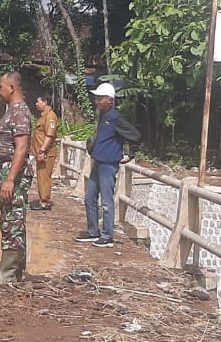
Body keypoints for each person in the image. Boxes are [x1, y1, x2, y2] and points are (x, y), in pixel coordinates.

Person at [76, 82, 141, 248]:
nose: (96, 101)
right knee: (90, 197)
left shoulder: (115, 118)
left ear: (109, 100)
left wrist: (131, 154)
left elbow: (135, 135)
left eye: (100, 98)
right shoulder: (102, 116)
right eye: (96, 98)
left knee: (106, 201)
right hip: (98, 162)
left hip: (108, 165)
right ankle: (93, 232)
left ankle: (107, 235)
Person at [0, 71, 33, 284]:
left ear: (12, 88)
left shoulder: (19, 113)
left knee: (11, 220)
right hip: (6, 171)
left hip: (12, 173)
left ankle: (7, 274)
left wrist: (10, 179)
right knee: (11, 218)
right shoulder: (13, 111)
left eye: (0, 86)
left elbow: (21, 147)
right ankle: (15, 272)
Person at [31, 94, 60, 210]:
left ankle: (44, 201)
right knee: (41, 176)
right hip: (41, 153)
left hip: (46, 153)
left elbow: (49, 136)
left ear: (45, 102)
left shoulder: (50, 116)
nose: (36, 104)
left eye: (38, 101)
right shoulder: (44, 116)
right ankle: (42, 199)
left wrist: (42, 151)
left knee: (44, 176)